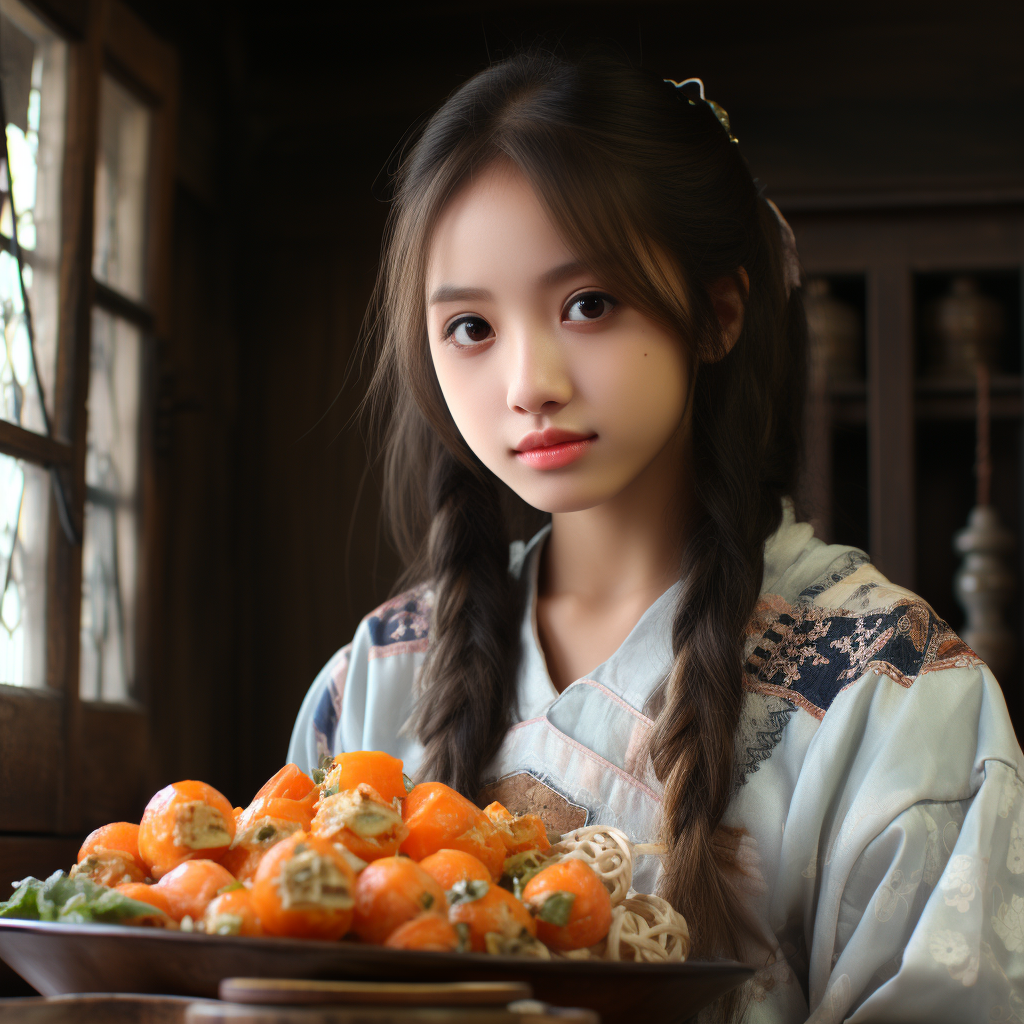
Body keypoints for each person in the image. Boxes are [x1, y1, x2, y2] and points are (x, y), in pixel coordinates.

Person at [288, 49, 1024, 1022]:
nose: (526, 382)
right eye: (470, 327)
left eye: (588, 304)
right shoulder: (375, 680)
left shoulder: (889, 692)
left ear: (716, 313)